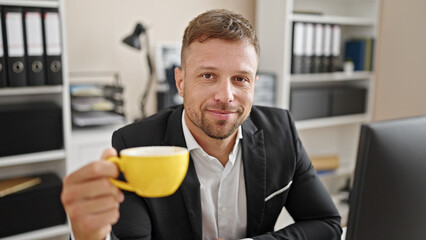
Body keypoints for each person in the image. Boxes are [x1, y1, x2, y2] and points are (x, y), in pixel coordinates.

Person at [61, 9, 342, 240]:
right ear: (181, 82)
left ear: (254, 85)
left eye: (240, 79)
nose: (226, 96)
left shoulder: (281, 131)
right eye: (208, 76)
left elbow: (326, 223)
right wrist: (88, 235)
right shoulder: (135, 145)